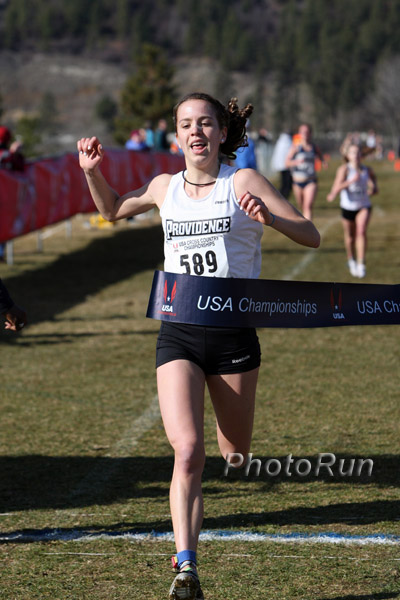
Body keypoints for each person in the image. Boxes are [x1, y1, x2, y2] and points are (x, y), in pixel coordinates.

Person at [77, 92, 320, 600]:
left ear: (222, 132)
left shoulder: (244, 182)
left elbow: (312, 234)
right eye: (187, 124)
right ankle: (185, 569)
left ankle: (225, 432)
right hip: (179, 334)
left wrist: (271, 219)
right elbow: (114, 209)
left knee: (234, 457)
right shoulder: (165, 187)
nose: (196, 132)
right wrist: (93, 173)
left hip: (234, 337)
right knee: (187, 452)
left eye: (205, 123)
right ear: (177, 135)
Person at [327, 143, 378, 278]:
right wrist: (350, 182)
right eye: (353, 153)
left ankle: (361, 263)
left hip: (364, 206)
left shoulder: (367, 170)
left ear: (362, 155)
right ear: (348, 155)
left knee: (361, 231)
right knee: (350, 238)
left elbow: (374, 184)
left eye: (358, 153)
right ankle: (351, 260)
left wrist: (373, 189)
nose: (356, 155)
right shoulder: (344, 170)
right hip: (348, 207)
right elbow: (336, 189)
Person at [285, 123, 325, 221]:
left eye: (307, 132)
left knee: (308, 206)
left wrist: (323, 162)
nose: (305, 134)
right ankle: (304, 227)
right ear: (299, 133)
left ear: (310, 133)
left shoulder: (314, 147)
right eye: (303, 132)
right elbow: (287, 163)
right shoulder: (296, 147)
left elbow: (320, 156)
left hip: (311, 181)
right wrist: (296, 162)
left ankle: (309, 231)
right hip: (297, 182)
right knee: (302, 206)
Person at [0, 126, 25, 261]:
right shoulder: (6, 155)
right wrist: (14, 153)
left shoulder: (7, 154)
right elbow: (19, 164)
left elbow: (20, 166)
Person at [270, 130, 293, 199]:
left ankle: (282, 197)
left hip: (282, 166)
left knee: (284, 182)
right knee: (286, 183)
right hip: (286, 166)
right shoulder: (287, 142)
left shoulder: (280, 142)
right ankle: (282, 197)